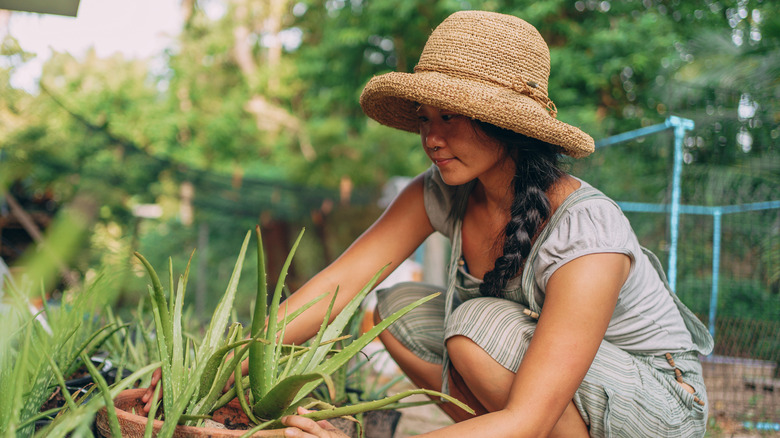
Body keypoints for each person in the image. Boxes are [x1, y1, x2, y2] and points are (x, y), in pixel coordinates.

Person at [145, 10, 714, 438]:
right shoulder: (444, 192)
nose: (431, 138)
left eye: (452, 118)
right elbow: (337, 287)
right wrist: (209, 366)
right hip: (550, 397)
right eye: (425, 118)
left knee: (475, 326)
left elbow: (529, 415)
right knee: (394, 311)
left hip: (660, 406)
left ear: (506, 124)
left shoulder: (586, 232)